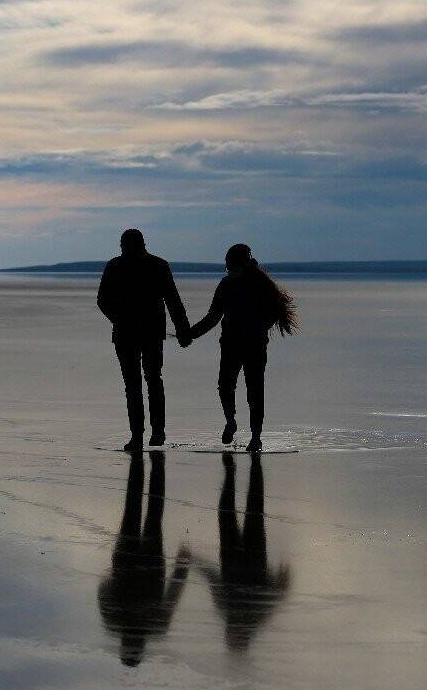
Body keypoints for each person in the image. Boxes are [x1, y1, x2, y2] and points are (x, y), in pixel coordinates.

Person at [179, 243, 298, 452]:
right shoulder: (225, 285)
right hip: (231, 344)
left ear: (242, 265)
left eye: (231, 266)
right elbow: (214, 316)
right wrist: (192, 333)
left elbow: (274, 313)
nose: (228, 270)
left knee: (254, 391)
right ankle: (231, 422)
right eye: (227, 267)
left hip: (254, 346)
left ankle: (256, 438)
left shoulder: (261, 285)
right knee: (226, 386)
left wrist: (258, 329)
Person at [97, 229, 190, 452]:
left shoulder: (118, 266)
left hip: (134, 333)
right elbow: (173, 301)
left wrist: (118, 319)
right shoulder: (157, 265)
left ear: (125, 245)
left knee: (138, 384)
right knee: (150, 381)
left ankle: (143, 435)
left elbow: (102, 300)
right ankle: (151, 433)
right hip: (145, 332)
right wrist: (183, 329)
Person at [98, 452, 190, 666]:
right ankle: (140, 463)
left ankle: (156, 465)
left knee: (153, 514)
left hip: (151, 567)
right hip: (127, 563)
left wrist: (183, 565)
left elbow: (174, 591)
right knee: (133, 510)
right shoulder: (114, 622)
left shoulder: (156, 625)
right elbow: (103, 590)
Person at [195, 453, 290, 651]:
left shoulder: (231, 610)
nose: (231, 631)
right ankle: (251, 464)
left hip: (233, 556)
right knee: (251, 509)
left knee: (233, 512)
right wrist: (282, 577)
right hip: (253, 555)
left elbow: (213, 580)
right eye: (235, 636)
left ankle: (234, 471)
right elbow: (277, 592)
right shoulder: (256, 614)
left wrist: (195, 562)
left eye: (230, 635)